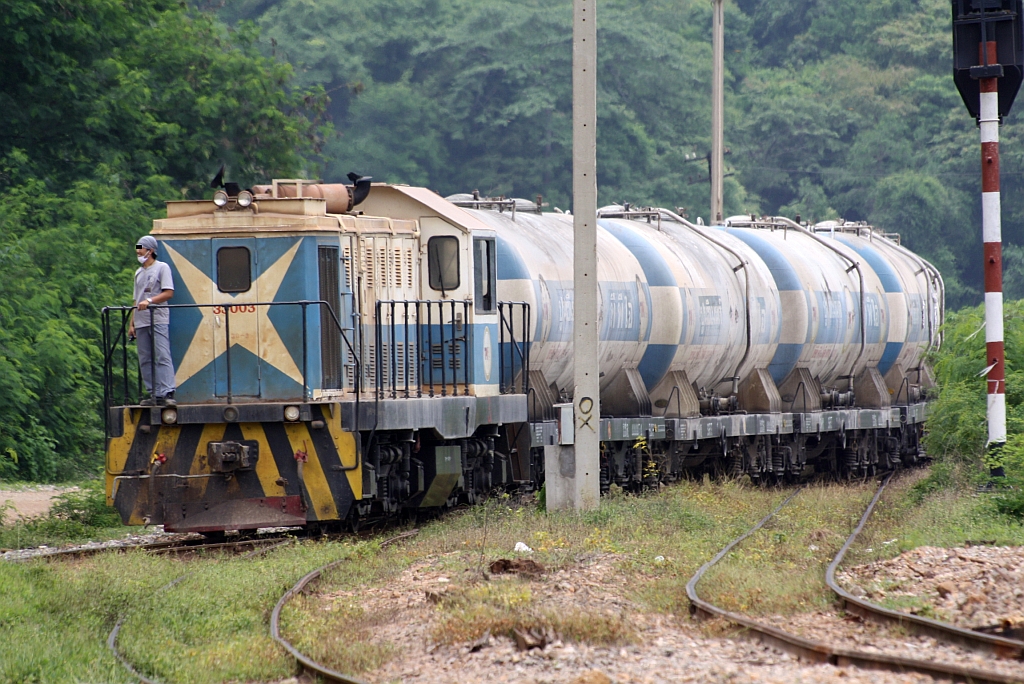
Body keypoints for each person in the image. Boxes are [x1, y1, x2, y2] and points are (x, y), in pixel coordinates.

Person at [129, 235, 177, 406]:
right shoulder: (138, 273)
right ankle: (154, 394)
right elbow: (136, 299)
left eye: (140, 249)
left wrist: (150, 301)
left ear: (150, 251)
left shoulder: (162, 268)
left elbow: (168, 292)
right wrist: (132, 323)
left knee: (162, 354)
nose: (138, 252)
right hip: (141, 320)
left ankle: (168, 392)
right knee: (145, 358)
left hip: (158, 318)